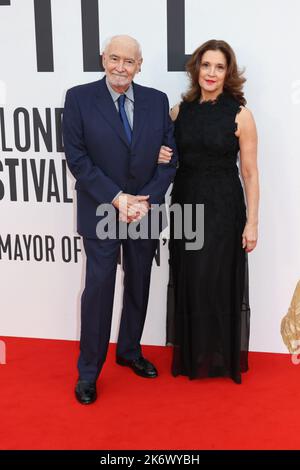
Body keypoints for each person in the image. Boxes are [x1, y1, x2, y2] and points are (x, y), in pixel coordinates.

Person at [63, 35, 177, 404]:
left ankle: (129, 351)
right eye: (115, 58)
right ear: (103, 59)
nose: (121, 67)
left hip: (144, 208)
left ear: (139, 65)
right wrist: (117, 198)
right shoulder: (79, 98)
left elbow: (170, 158)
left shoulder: (157, 102)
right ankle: (89, 372)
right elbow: (78, 159)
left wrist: (146, 201)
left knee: (139, 283)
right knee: (98, 289)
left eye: (129, 61)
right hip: (101, 208)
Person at [158, 39, 259, 383]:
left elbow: (249, 172)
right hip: (186, 202)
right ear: (196, 69)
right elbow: (168, 157)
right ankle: (193, 353)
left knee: (217, 277)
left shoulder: (241, 115)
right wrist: (161, 156)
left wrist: (252, 223)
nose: (211, 73)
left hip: (223, 206)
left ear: (228, 72)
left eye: (219, 67)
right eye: (206, 65)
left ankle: (218, 353)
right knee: (190, 275)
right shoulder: (178, 112)